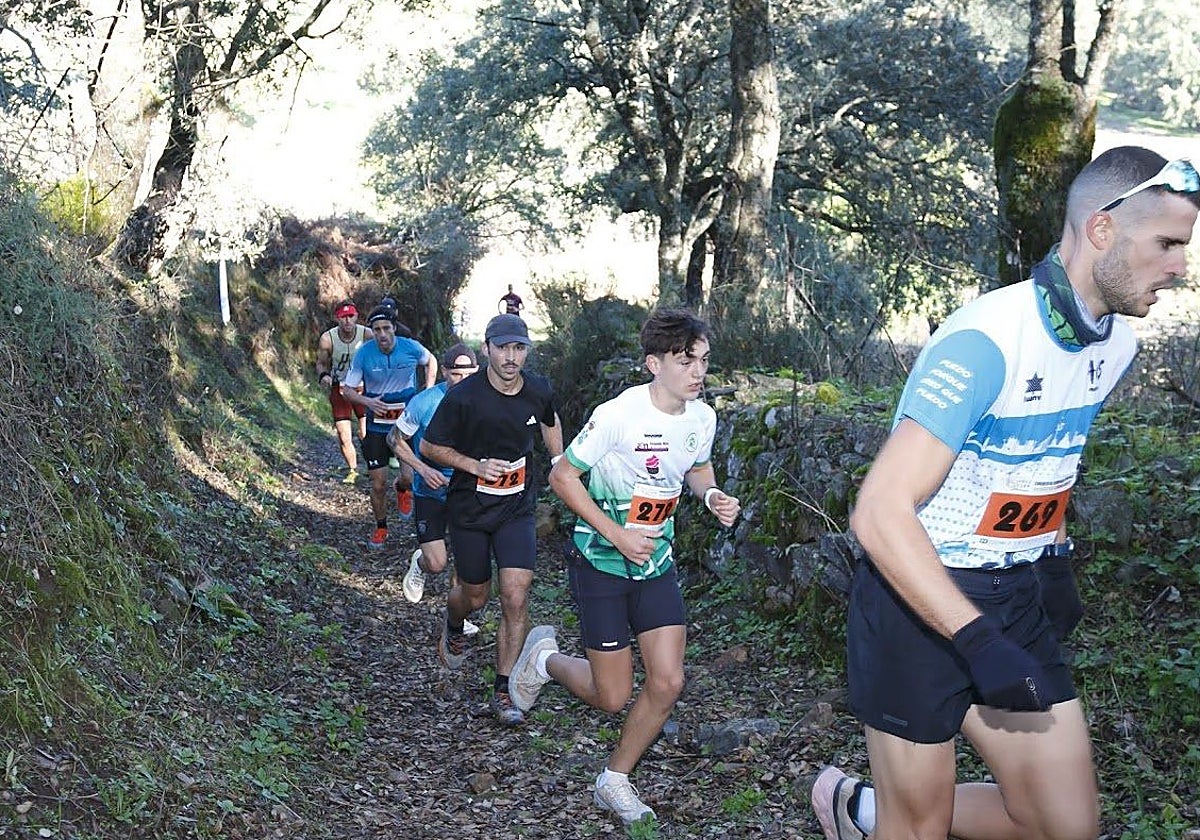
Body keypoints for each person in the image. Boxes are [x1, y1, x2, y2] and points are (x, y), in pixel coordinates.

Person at [810, 146, 1199, 840]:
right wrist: (977, 639)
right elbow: (878, 512)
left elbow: (1052, 453)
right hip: (915, 596)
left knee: (1063, 826)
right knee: (919, 829)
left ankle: (859, 808)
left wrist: (1051, 554)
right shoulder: (985, 342)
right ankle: (891, 817)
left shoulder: (1115, 346)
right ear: (1102, 230)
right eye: (1167, 243)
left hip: (1012, 592)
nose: (1182, 267)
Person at [509, 309, 740, 826]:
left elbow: (697, 468)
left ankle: (614, 778)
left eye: (703, 361)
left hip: (656, 562)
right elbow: (563, 476)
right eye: (686, 362)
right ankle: (545, 659)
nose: (698, 372)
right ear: (653, 364)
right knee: (610, 696)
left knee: (668, 681)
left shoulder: (703, 417)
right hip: (602, 562)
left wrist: (712, 495)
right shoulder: (619, 414)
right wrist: (618, 534)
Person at [420, 313, 563, 725]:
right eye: (503, 348)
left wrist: (557, 462)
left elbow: (551, 421)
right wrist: (474, 466)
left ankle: (504, 690)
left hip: (517, 508)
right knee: (476, 595)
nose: (510, 357)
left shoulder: (538, 390)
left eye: (519, 348)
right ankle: (454, 619)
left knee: (516, 594)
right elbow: (430, 447)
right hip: (470, 508)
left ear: (526, 352)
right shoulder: (464, 397)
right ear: (486, 349)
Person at [386, 342, 480, 603]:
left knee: (466, 564)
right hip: (430, 491)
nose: (462, 381)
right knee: (437, 563)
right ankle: (420, 564)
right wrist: (422, 469)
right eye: (456, 374)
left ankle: (456, 622)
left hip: (467, 492)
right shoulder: (424, 402)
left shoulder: (484, 402)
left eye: (469, 375)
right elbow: (394, 440)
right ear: (445, 372)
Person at [341, 304, 438, 548]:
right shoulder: (363, 353)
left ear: (394, 328)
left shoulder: (411, 347)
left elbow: (432, 361)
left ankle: (403, 489)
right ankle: (381, 527)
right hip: (377, 426)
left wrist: (427, 392)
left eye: (386, 328)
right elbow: (348, 390)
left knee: (408, 476)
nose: (382, 334)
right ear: (371, 331)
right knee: (377, 483)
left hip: (406, 426)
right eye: (377, 330)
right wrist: (367, 401)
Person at [315, 299, 371, 483]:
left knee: (365, 432)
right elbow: (321, 362)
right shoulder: (327, 338)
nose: (347, 321)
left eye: (350, 316)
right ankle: (353, 470)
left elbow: (380, 352)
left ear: (356, 316)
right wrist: (324, 375)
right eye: (343, 317)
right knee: (343, 433)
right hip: (339, 388)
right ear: (336, 318)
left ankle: (373, 466)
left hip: (363, 388)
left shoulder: (367, 334)